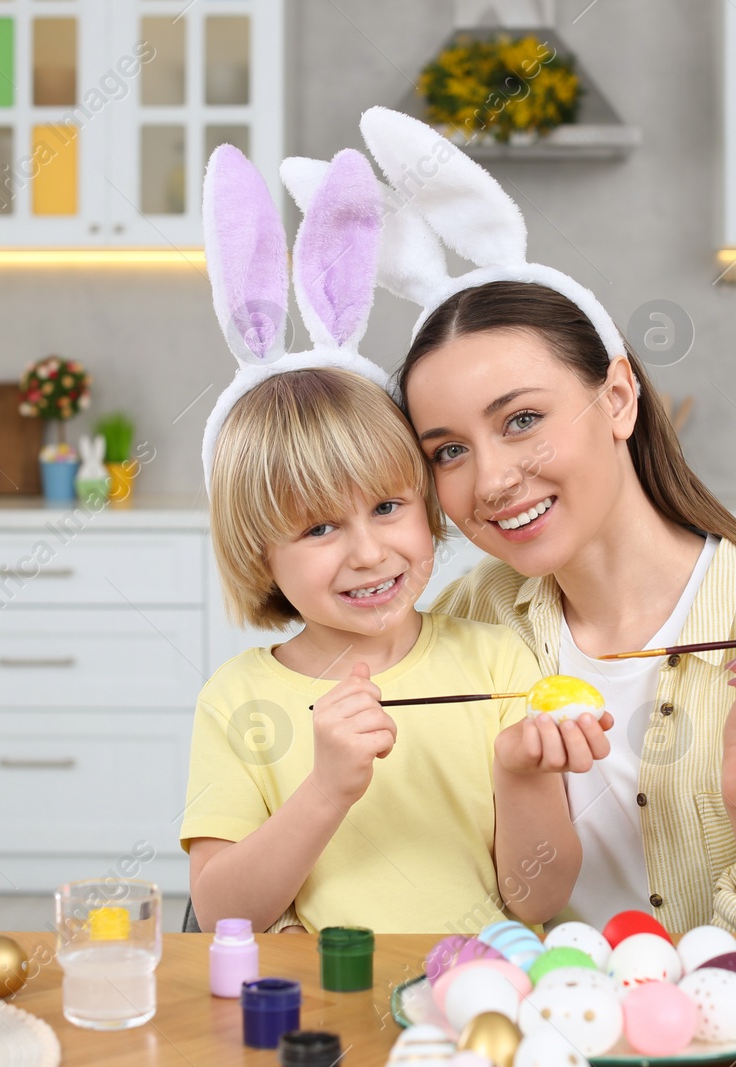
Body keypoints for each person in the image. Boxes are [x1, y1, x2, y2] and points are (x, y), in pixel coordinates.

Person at [356, 106, 736, 933]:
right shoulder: (466, 622)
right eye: (447, 451)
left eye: (520, 420)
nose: (493, 479)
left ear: (617, 397)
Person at [178, 144, 611, 934]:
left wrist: (519, 773)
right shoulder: (240, 698)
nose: (369, 552)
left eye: (386, 507)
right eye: (317, 527)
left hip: (489, 1002)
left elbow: (539, 899)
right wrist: (326, 789)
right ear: (257, 552)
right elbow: (222, 915)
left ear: (426, 502)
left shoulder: (497, 662)